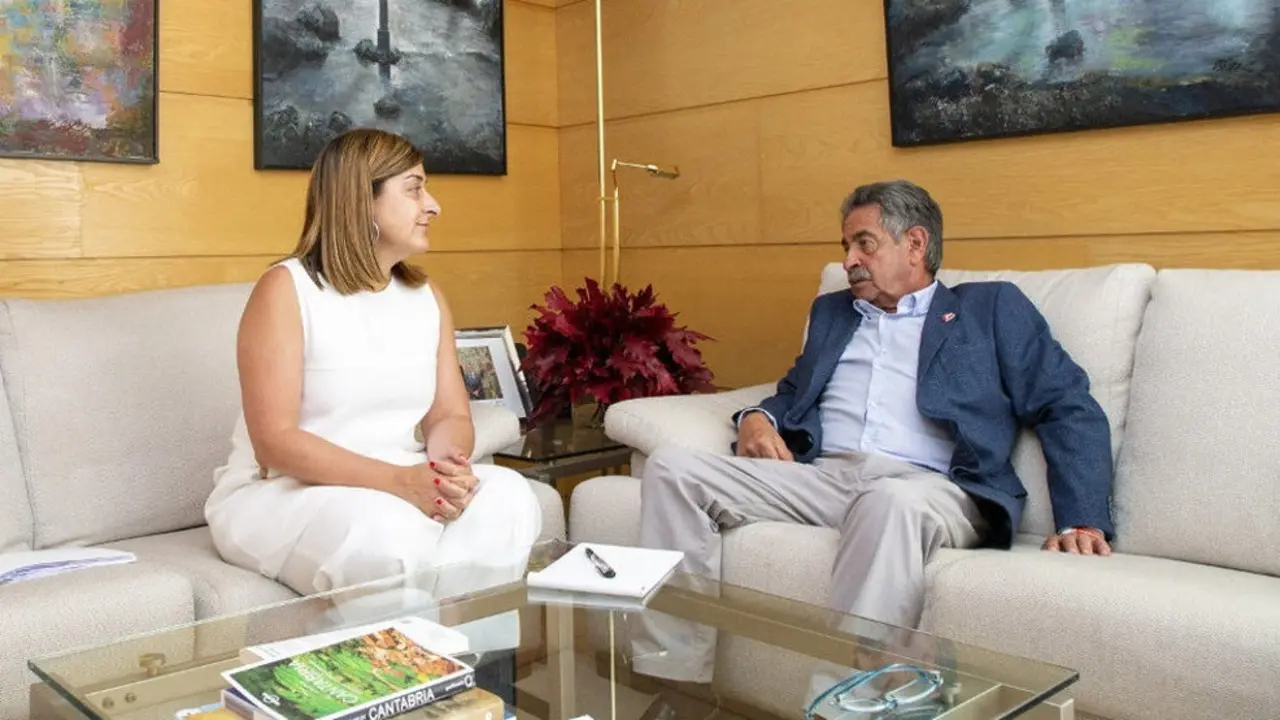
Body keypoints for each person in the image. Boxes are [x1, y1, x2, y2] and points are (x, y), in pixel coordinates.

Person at [630, 179, 1114, 685]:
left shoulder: (990, 309)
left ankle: (841, 706)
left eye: (865, 243)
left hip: (931, 489)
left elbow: (1067, 404)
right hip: (829, 480)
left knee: (887, 502)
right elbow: (795, 389)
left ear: (916, 244)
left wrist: (1082, 520)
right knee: (673, 467)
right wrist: (757, 417)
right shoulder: (833, 313)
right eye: (846, 247)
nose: (849, 261)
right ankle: (671, 677)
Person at [205, 128, 542, 604]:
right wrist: (401, 483)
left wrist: (448, 470)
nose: (434, 205)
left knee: (508, 497)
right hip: (283, 492)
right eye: (414, 188)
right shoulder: (286, 290)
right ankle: (403, 667)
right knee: (387, 533)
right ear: (362, 200)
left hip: (396, 477)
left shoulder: (426, 298)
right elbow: (274, 443)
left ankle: (463, 660)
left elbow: (449, 416)